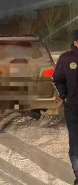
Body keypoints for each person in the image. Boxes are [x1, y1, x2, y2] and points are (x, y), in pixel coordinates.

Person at [53, 30, 78, 185]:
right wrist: (65, 96)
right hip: (73, 108)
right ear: (75, 41)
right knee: (76, 142)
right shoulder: (66, 58)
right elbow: (57, 79)